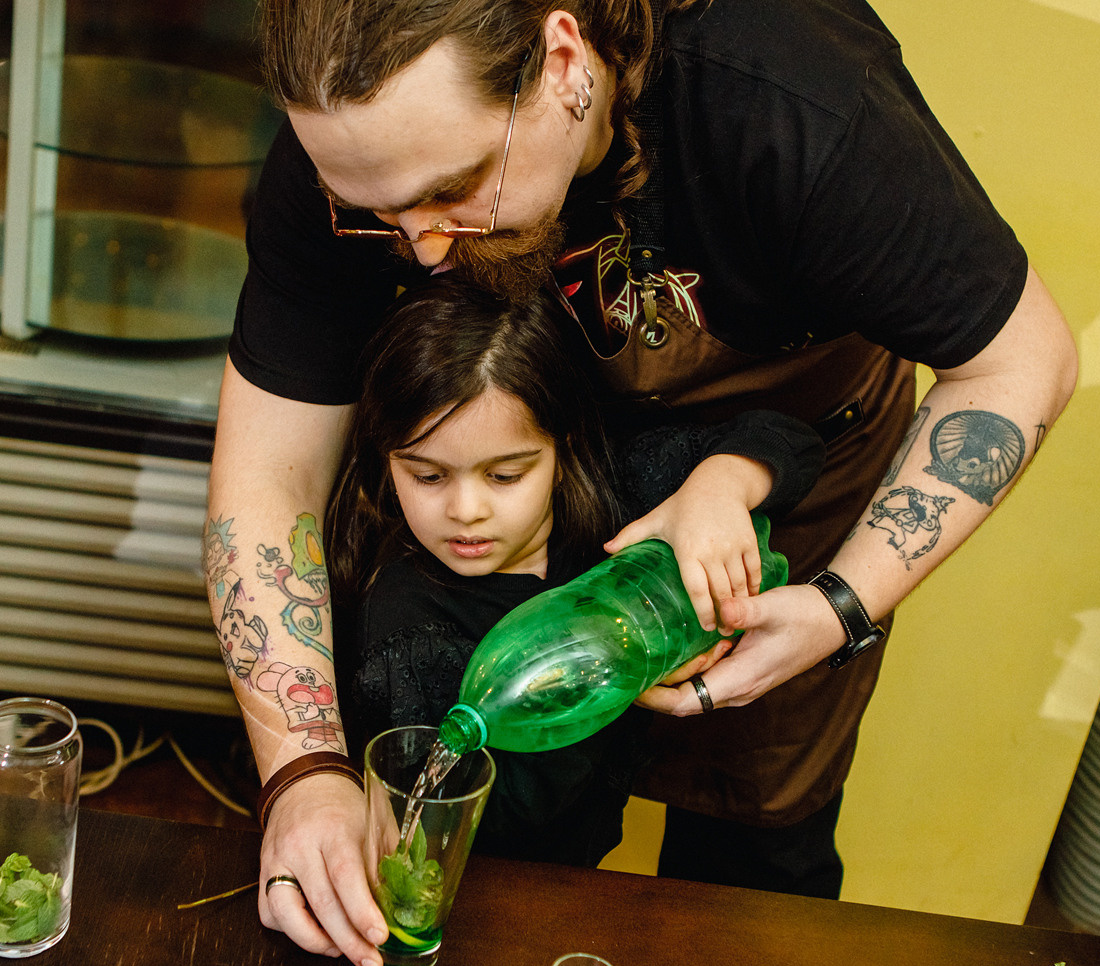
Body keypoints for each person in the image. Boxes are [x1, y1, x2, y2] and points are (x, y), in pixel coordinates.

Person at [210, 0, 1077, 966]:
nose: (420, 247)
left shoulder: (788, 94)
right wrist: (304, 773)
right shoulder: (356, 139)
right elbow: (268, 473)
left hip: (775, 480)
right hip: (525, 459)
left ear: (562, 61)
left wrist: (839, 604)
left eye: (452, 189)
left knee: (750, 873)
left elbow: (1022, 364)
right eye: (374, 212)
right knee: (501, 836)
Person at [324, 278, 823, 867]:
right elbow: (475, 826)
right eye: (428, 476)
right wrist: (602, 670)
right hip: (512, 891)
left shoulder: (617, 492)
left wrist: (722, 485)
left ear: (562, 449)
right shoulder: (409, 629)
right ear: (387, 459)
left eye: (505, 475)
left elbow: (797, 442)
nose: (465, 510)